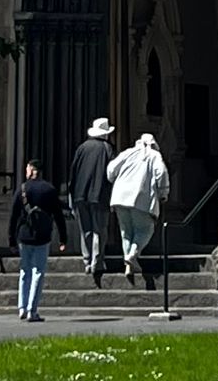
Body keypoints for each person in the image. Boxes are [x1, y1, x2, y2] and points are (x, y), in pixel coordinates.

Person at [105, 130, 168, 291]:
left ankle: (129, 265)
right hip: (141, 197)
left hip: (120, 197)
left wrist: (115, 180)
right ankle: (133, 254)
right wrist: (163, 192)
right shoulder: (154, 156)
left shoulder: (127, 153)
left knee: (126, 232)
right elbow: (161, 173)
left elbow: (111, 169)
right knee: (145, 229)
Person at [5, 158, 65, 322]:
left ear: (30, 170)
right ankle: (33, 309)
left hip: (24, 235)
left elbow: (13, 215)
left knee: (25, 271)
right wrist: (63, 238)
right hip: (43, 235)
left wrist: (11, 238)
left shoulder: (22, 189)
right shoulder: (49, 190)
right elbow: (58, 215)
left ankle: (22, 308)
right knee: (38, 271)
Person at [67, 117, 115, 279]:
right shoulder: (107, 149)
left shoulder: (82, 148)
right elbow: (112, 173)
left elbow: (73, 173)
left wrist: (71, 197)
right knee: (99, 230)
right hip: (99, 195)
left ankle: (87, 261)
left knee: (85, 230)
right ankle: (97, 261)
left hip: (80, 195)